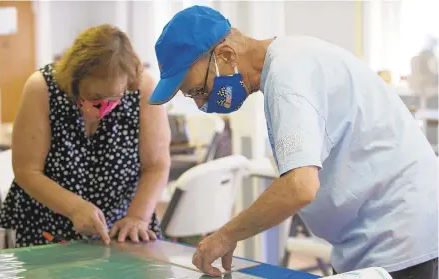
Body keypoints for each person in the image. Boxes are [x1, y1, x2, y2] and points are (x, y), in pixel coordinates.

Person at [148, 5, 438, 279]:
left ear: (225, 55)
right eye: (192, 97)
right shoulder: (291, 60)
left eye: (198, 89)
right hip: (376, 239)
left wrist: (226, 234)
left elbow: (299, 187)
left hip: (399, 239)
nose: (201, 103)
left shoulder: (288, 78)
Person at [0, 24, 171, 247]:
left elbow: (156, 165)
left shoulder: (143, 88)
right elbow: (27, 170)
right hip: (47, 229)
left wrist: (137, 217)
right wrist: (74, 207)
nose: (104, 107)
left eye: (115, 98)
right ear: (75, 79)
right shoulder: (41, 89)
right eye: (95, 96)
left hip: (124, 232)